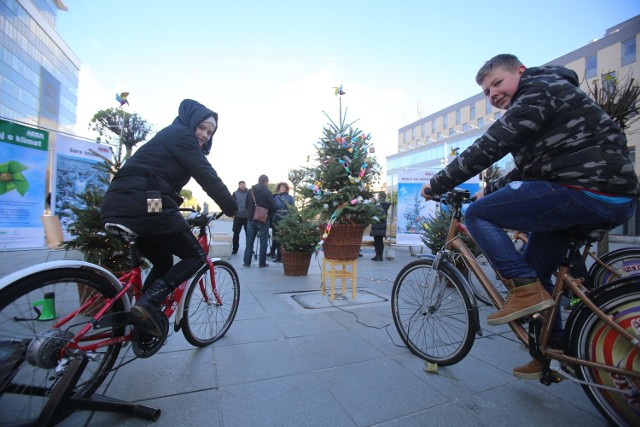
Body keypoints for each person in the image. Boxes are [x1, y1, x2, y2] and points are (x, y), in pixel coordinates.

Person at [420, 54, 638, 380]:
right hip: (600, 191)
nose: (492, 94)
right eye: (486, 91)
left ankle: (524, 290)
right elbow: (526, 169)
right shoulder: (543, 101)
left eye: (497, 82)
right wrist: (488, 189)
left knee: (479, 215)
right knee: (537, 269)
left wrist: (437, 184)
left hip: (586, 188)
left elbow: (491, 144)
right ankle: (554, 351)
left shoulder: (539, 89)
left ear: (520, 71)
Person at [101, 99, 237, 337]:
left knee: (163, 261)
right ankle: (149, 303)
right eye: (202, 127)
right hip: (146, 201)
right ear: (191, 122)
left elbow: (158, 176)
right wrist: (231, 206)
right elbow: (206, 174)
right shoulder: (181, 135)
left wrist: (174, 204)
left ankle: (141, 313)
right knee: (196, 256)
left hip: (122, 201)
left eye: (210, 131)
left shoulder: (169, 137)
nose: (204, 134)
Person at [243, 174, 275, 268]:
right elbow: (273, 206)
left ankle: (247, 262)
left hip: (250, 219)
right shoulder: (267, 192)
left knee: (249, 242)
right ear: (265, 181)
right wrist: (268, 213)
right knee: (263, 242)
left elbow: (246, 205)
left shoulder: (250, 191)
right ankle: (262, 263)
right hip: (262, 220)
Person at [270, 182, 295, 262]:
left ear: (286, 188)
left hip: (285, 218)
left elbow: (292, 209)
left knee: (284, 238)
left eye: (283, 187)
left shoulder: (290, 198)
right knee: (276, 238)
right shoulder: (275, 197)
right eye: (280, 187)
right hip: (276, 218)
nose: (282, 188)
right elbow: (271, 207)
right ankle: (278, 256)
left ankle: (283, 256)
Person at [370, 192, 391, 261]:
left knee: (377, 241)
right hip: (383, 225)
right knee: (380, 241)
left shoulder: (378, 204)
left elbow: (375, 212)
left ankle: (378, 256)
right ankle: (380, 256)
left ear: (379, 196)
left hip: (377, 225)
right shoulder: (385, 204)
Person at [231, 181, 248, 254]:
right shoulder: (235, 193)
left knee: (249, 234)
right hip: (238, 217)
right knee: (236, 234)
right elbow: (232, 204)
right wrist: (234, 213)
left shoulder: (250, 193)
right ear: (239, 185)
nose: (243, 185)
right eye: (241, 184)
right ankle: (235, 249)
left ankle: (250, 249)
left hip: (247, 217)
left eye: (244, 184)